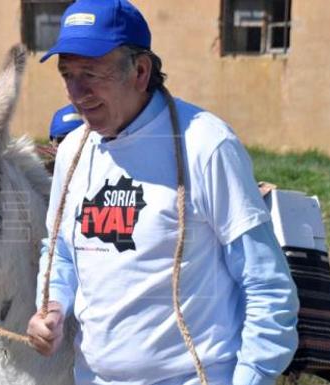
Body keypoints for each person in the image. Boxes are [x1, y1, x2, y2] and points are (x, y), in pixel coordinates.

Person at [26, 1, 299, 384]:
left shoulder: (205, 145)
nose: (76, 92)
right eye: (67, 74)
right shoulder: (73, 151)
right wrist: (52, 306)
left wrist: (252, 377)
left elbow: (266, 284)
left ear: (140, 71)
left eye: (90, 72)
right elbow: (61, 254)